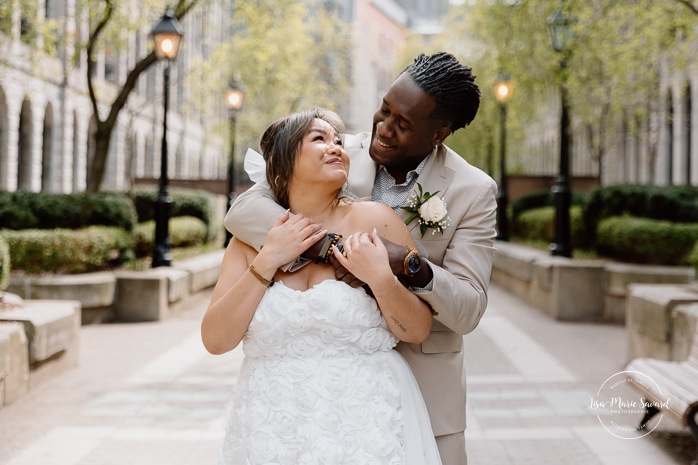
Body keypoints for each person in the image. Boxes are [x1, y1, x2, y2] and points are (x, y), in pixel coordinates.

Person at [225, 52, 498, 465]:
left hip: (424, 390)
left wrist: (409, 266)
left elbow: (469, 308)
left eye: (402, 124)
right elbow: (243, 212)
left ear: (439, 134)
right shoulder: (335, 151)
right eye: (384, 110)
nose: (383, 129)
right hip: (316, 395)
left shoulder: (472, 191)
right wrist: (331, 247)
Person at [202, 108, 443, 465]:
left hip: (365, 425)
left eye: (339, 142)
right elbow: (215, 340)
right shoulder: (250, 242)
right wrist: (268, 260)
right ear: (284, 163)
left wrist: (379, 279)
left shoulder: (376, 220)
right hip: (271, 426)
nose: (336, 148)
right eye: (319, 138)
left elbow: (419, 329)